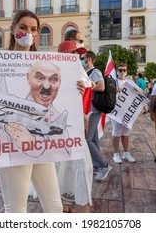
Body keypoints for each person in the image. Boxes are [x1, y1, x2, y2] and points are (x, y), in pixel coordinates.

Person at [0, 9, 84, 213]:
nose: (28, 33)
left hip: (43, 148)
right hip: (12, 150)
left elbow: (61, 109)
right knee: (16, 210)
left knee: (55, 207)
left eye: (33, 29)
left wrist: (76, 90)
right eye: (23, 27)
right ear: (13, 29)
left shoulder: (47, 64)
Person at [56, 40, 93, 213]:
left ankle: (71, 201)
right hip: (61, 127)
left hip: (76, 125)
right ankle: (63, 202)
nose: (77, 57)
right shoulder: (55, 74)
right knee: (61, 163)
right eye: (73, 53)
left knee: (77, 163)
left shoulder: (79, 73)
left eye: (78, 54)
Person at [82, 50, 112, 181]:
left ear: (88, 59)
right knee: (93, 139)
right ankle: (96, 165)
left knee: (86, 140)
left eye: (82, 58)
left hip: (93, 110)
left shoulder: (95, 72)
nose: (80, 60)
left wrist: (88, 87)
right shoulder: (86, 72)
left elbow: (101, 87)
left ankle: (103, 165)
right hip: (90, 109)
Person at [111, 63, 143, 164]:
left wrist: (136, 89)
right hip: (117, 111)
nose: (122, 72)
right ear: (117, 71)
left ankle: (126, 153)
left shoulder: (130, 82)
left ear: (127, 71)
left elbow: (141, 92)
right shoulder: (113, 82)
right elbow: (108, 94)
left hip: (128, 112)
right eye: (120, 70)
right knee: (116, 132)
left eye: (124, 70)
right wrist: (116, 90)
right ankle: (116, 154)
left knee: (126, 133)